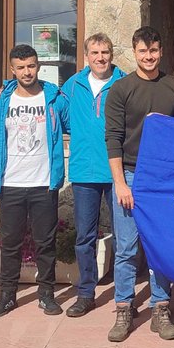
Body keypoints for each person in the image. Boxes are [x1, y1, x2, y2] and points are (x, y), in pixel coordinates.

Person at [104, 26, 174, 342]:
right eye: (143, 51)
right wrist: (120, 184)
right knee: (127, 247)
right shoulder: (120, 90)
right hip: (129, 175)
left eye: (153, 51)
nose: (149, 56)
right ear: (134, 52)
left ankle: (160, 308)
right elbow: (113, 139)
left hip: (165, 181)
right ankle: (124, 308)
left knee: (161, 247)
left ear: (161, 51)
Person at [0, 44, 68, 318]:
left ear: (38, 65)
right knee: (10, 243)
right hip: (11, 183)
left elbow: (75, 125)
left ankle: (46, 295)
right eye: (20, 67)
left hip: (44, 183)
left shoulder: (54, 98)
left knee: (46, 242)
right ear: (12, 69)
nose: (27, 71)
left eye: (31, 66)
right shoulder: (0, 105)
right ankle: (7, 296)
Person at [55, 34, 126, 318]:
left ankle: (125, 294)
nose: (100, 57)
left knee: (124, 237)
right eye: (95, 52)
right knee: (85, 237)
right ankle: (85, 293)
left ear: (111, 54)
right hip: (85, 171)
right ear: (86, 56)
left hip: (119, 172)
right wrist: (6, 90)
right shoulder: (72, 86)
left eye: (105, 52)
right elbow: (56, 111)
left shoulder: (124, 83)